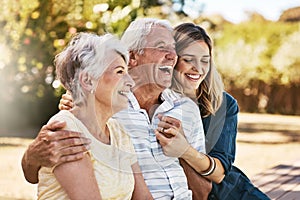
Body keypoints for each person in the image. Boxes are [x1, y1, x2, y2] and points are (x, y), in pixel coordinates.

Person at [21, 18, 207, 199]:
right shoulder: (70, 128)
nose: (173, 56)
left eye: (173, 49)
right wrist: (31, 156)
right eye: (120, 72)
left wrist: (185, 151)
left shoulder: (117, 131)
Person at [156, 23, 270, 199]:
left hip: (229, 193)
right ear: (173, 59)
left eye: (204, 60)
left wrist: (184, 150)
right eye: (188, 59)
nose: (198, 68)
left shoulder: (223, 104)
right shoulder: (154, 100)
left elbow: (219, 173)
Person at [35, 32, 152, 199]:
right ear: (88, 81)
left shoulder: (117, 131)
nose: (130, 82)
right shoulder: (66, 130)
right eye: (119, 72)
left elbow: (144, 197)